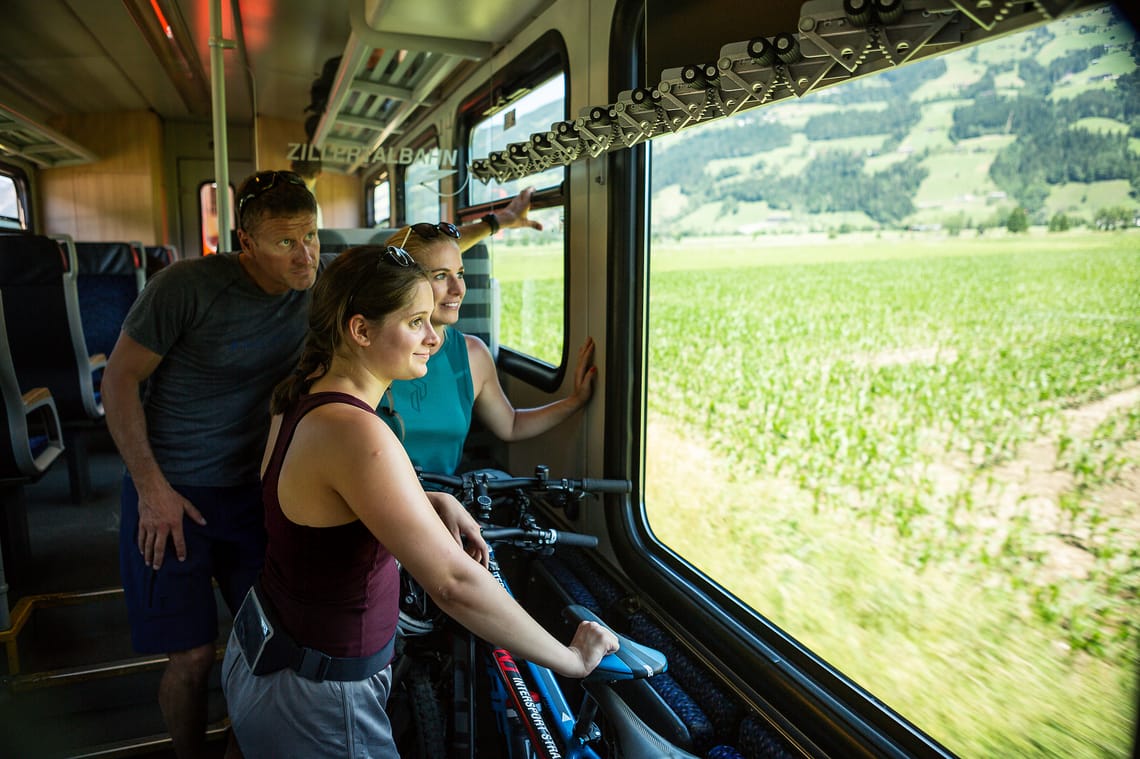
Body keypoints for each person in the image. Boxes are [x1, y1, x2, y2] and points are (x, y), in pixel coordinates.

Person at [100, 167, 547, 758]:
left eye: (311, 236)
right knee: (189, 656)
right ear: (246, 243)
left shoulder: (322, 288)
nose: (305, 253)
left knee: (265, 637)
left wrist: (499, 221)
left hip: (264, 484)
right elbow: (119, 380)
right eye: (286, 241)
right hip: (174, 485)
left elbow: (409, 259)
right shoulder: (183, 288)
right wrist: (150, 487)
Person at [221, 245, 618, 758]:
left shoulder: (303, 398)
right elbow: (454, 583)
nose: (434, 338)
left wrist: (424, 497)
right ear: (360, 331)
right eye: (416, 322)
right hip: (319, 694)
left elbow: (317, 504)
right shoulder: (358, 434)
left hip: (271, 655)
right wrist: (570, 660)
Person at [379, 216, 596, 475]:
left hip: (447, 500)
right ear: (403, 282)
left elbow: (511, 425)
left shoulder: (472, 355)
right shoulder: (370, 355)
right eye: (440, 276)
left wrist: (574, 401)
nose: (458, 288)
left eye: (460, 274)